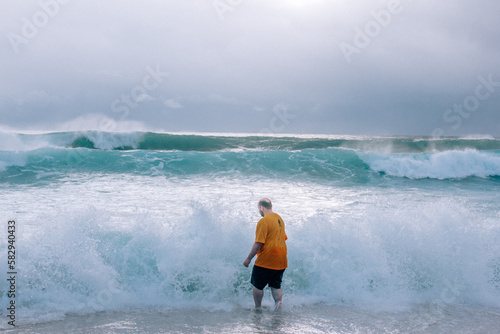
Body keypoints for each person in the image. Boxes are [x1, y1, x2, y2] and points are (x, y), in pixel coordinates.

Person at [243, 198, 287, 311]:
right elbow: (282, 238)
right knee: (276, 285)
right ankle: (278, 308)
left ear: (262, 208)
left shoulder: (263, 221)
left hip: (267, 259)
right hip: (281, 259)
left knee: (257, 285)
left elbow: (259, 243)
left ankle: (258, 308)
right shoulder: (279, 219)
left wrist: (248, 258)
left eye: (259, 209)